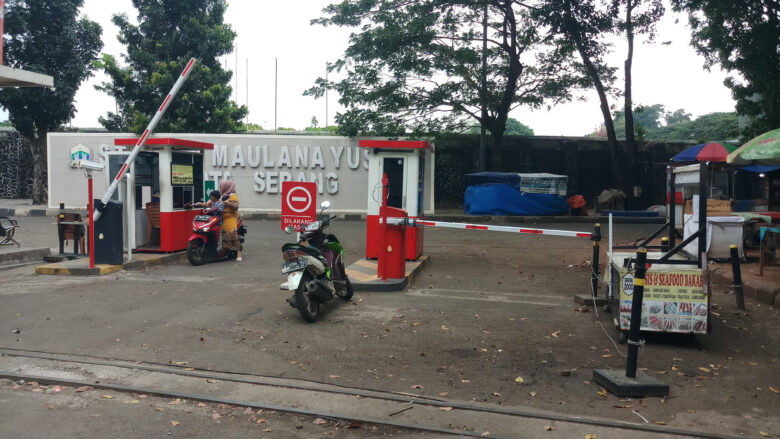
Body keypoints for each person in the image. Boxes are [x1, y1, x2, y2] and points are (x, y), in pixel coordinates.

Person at [219, 180, 242, 262]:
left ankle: (239, 253)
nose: (220, 188)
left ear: (226, 187)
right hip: (221, 218)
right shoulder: (220, 196)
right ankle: (223, 249)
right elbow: (211, 203)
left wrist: (228, 203)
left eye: (221, 187)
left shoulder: (232, 196)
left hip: (231, 218)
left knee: (233, 233)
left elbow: (236, 206)